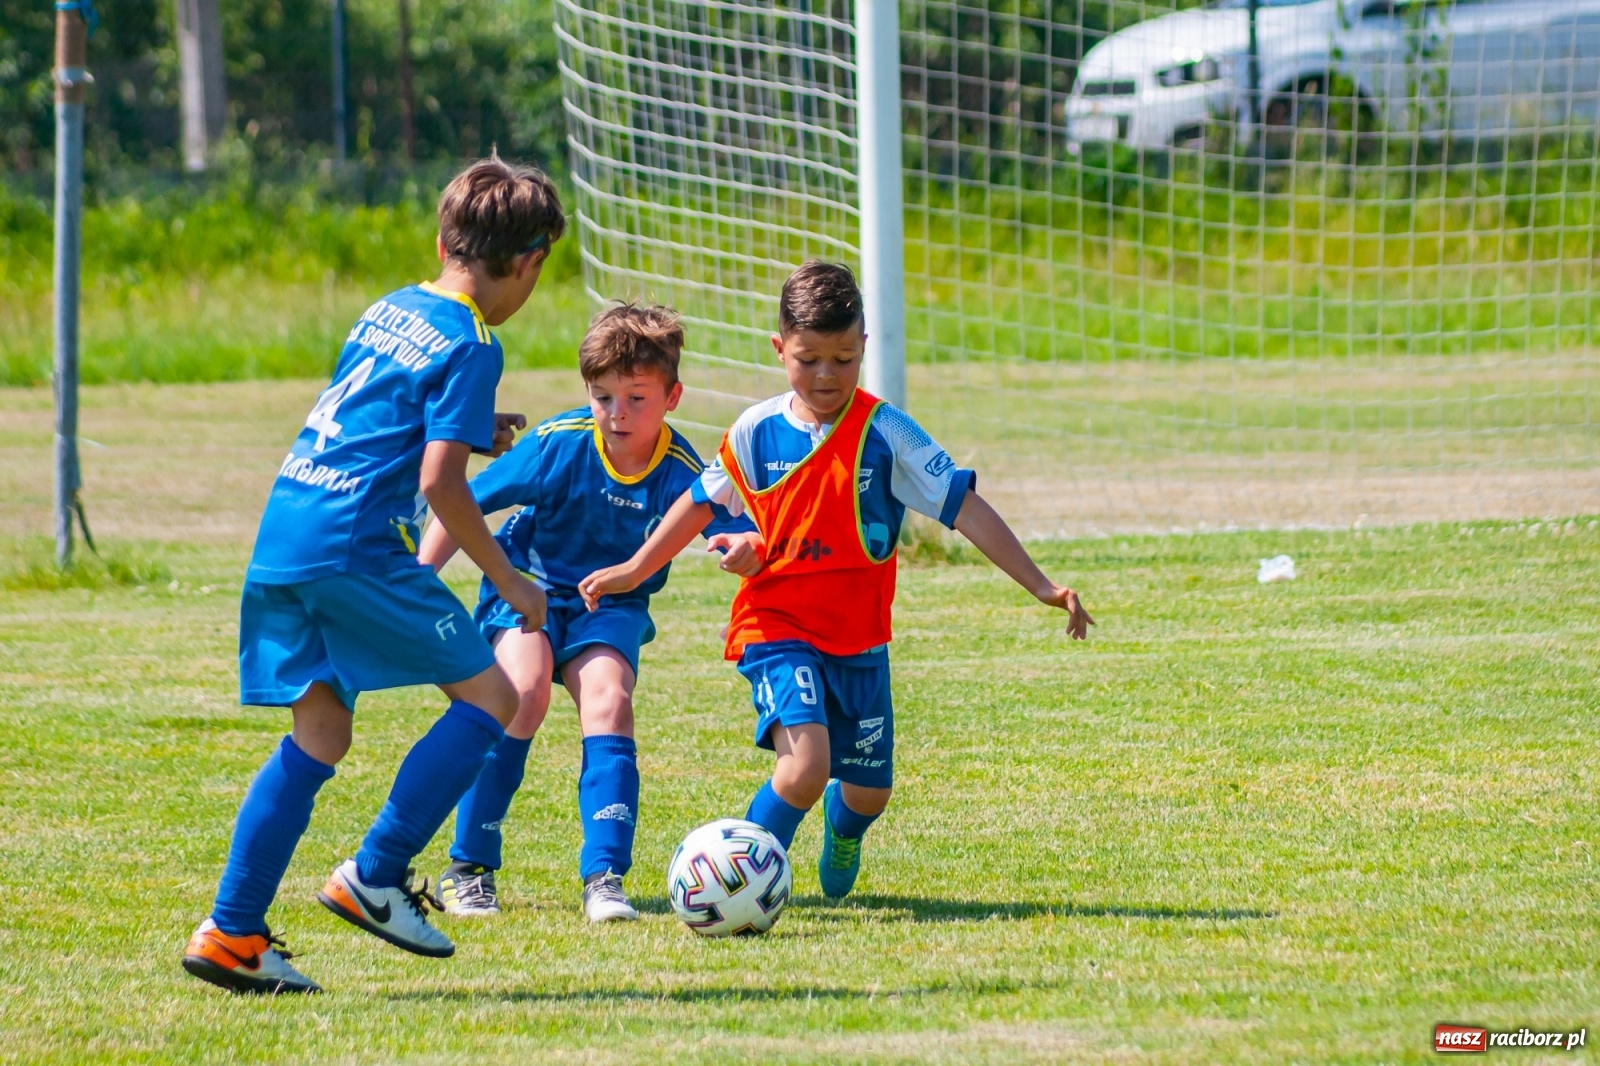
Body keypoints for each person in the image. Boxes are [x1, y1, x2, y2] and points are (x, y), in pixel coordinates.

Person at [579, 260, 1094, 900]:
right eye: (809, 358)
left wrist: (1041, 585)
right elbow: (701, 502)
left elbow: (966, 509)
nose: (826, 375)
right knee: (803, 768)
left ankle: (843, 831)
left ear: (863, 349)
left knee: (869, 792)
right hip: (777, 627)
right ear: (779, 350)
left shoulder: (888, 434)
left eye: (843, 359)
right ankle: (730, 883)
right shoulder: (754, 430)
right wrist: (636, 568)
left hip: (859, 639)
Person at [182, 155, 564, 995]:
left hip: (285, 533)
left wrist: (469, 427)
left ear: (442, 238)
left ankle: (231, 935)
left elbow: (374, 414)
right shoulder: (473, 341)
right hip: (356, 546)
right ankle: (377, 873)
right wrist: (507, 577)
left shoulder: (391, 306)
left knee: (320, 734)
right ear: (531, 263)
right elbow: (437, 484)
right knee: (495, 699)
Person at [416, 303, 759, 923]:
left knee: (610, 700)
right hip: (531, 590)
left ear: (672, 397)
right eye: (603, 397)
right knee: (522, 694)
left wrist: (741, 549)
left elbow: (742, 528)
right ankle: (468, 867)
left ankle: (604, 879)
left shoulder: (684, 471)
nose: (617, 414)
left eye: (636, 398)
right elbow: (456, 500)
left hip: (613, 606)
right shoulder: (558, 444)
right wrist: (418, 582)